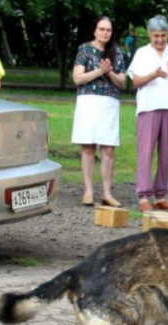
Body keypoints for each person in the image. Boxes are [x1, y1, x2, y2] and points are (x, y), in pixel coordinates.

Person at [126, 15, 168, 212]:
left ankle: (160, 195)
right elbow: (135, 81)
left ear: (167, 34)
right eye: (156, 36)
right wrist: (155, 73)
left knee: (166, 154)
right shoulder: (142, 53)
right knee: (145, 152)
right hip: (148, 108)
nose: (160, 40)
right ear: (149, 35)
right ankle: (143, 196)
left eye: (163, 35)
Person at [71, 16, 127, 207]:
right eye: (101, 29)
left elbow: (123, 82)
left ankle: (107, 193)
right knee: (87, 146)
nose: (105, 32)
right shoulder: (85, 49)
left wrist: (109, 72)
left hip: (109, 103)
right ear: (95, 30)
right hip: (88, 101)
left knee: (108, 148)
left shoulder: (116, 52)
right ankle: (88, 191)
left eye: (108, 30)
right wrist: (99, 71)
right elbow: (77, 78)